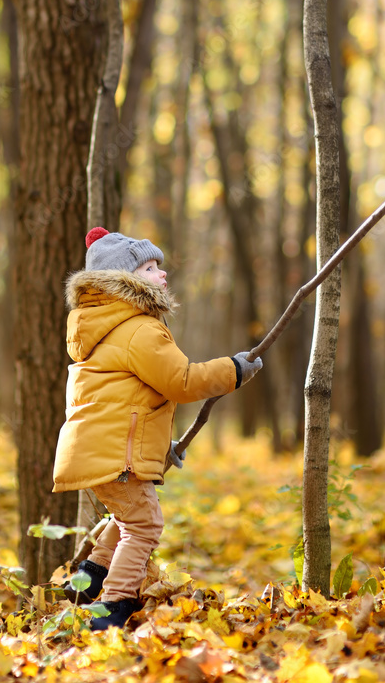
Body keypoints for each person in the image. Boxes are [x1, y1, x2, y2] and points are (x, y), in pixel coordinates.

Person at [52, 226, 263, 630]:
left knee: (126, 517)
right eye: (150, 268)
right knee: (144, 524)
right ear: (125, 282)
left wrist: (163, 448)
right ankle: (110, 609)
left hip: (98, 449)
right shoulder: (138, 329)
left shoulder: (102, 327)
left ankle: (87, 582)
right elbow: (181, 381)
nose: (162, 274)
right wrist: (233, 370)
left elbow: (127, 402)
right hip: (114, 454)